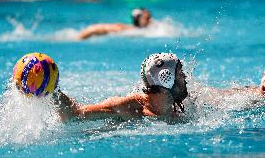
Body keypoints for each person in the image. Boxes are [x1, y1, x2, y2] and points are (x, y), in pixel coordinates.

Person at [53, 52, 265, 122]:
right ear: (166, 79)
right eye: (181, 74)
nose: (186, 79)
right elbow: (75, 113)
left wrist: (259, 91)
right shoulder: (130, 108)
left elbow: (229, 97)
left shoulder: (191, 101)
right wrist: (52, 90)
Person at [76, 8, 152, 40]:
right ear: (137, 19)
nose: (150, 20)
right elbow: (93, 29)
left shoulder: (145, 29)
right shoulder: (121, 28)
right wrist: (79, 38)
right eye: (147, 18)